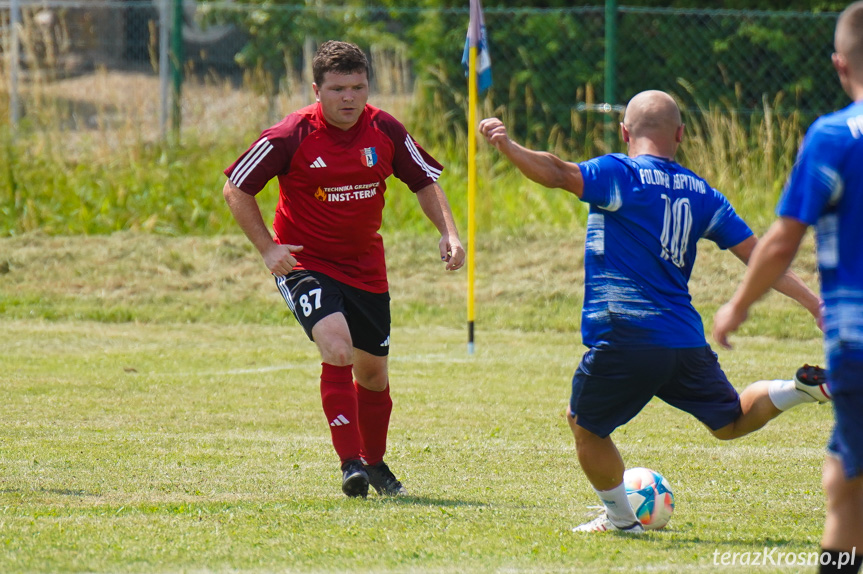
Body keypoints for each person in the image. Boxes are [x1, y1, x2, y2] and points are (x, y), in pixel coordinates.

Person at [479, 90, 827, 533]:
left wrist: (508, 146)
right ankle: (799, 389)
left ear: (624, 131)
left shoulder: (619, 174)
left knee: (584, 424)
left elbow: (557, 172)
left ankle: (622, 521)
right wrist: (814, 303)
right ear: (680, 135)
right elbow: (763, 258)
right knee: (730, 423)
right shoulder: (704, 194)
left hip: (627, 336)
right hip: (684, 341)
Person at [222, 40, 465, 499]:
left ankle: (374, 463)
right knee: (337, 347)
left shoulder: (385, 129)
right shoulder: (289, 135)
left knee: (373, 375)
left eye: (358, 86)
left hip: (366, 267)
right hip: (305, 263)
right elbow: (236, 188)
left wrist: (449, 232)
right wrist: (267, 249)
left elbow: (424, 181)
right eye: (337, 89)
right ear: (317, 90)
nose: (349, 98)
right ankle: (350, 463)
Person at [712, 3, 863, 571]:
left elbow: (782, 240)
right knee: (841, 473)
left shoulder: (834, 136)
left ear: (839, 64)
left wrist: (737, 306)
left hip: (858, 342)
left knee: (846, 481)